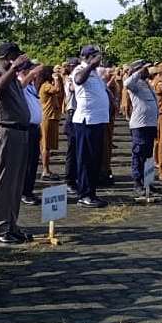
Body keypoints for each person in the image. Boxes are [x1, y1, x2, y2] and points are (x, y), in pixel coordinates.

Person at [0, 42, 33, 243]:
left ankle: (11, 225)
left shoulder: (12, 76)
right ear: (7, 57)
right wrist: (13, 69)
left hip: (19, 133)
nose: (19, 59)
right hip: (4, 131)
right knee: (2, 182)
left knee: (15, 184)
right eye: (15, 56)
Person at [71, 45, 110, 208]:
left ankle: (91, 193)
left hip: (97, 121)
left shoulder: (95, 73)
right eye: (95, 56)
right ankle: (84, 195)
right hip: (86, 121)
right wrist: (91, 65)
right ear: (87, 57)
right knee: (86, 160)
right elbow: (78, 80)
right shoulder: (80, 69)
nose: (99, 60)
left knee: (95, 160)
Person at [124, 60, 158, 196]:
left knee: (148, 155)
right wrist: (138, 71)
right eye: (145, 69)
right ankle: (137, 182)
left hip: (150, 124)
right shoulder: (135, 84)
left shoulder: (146, 84)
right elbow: (126, 83)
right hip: (139, 125)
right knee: (138, 154)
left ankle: (147, 181)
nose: (147, 71)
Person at [19, 62, 44, 205]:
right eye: (29, 69)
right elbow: (20, 85)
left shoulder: (30, 85)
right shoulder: (19, 82)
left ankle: (29, 190)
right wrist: (32, 74)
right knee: (27, 162)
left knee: (33, 162)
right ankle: (24, 192)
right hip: (26, 127)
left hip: (35, 127)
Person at [38, 66, 62, 180]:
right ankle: (45, 171)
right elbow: (57, 90)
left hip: (51, 117)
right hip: (47, 117)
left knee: (47, 145)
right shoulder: (46, 85)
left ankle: (46, 169)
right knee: (45, 145)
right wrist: (56, 78)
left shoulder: (47, 85)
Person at [62, 58, 80, 194]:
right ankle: (69, 180)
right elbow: (73, 88)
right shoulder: (70, 79)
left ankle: (77, 178)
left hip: (79, 114)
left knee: (79, 150)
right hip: (72, 113)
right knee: (72, 150)